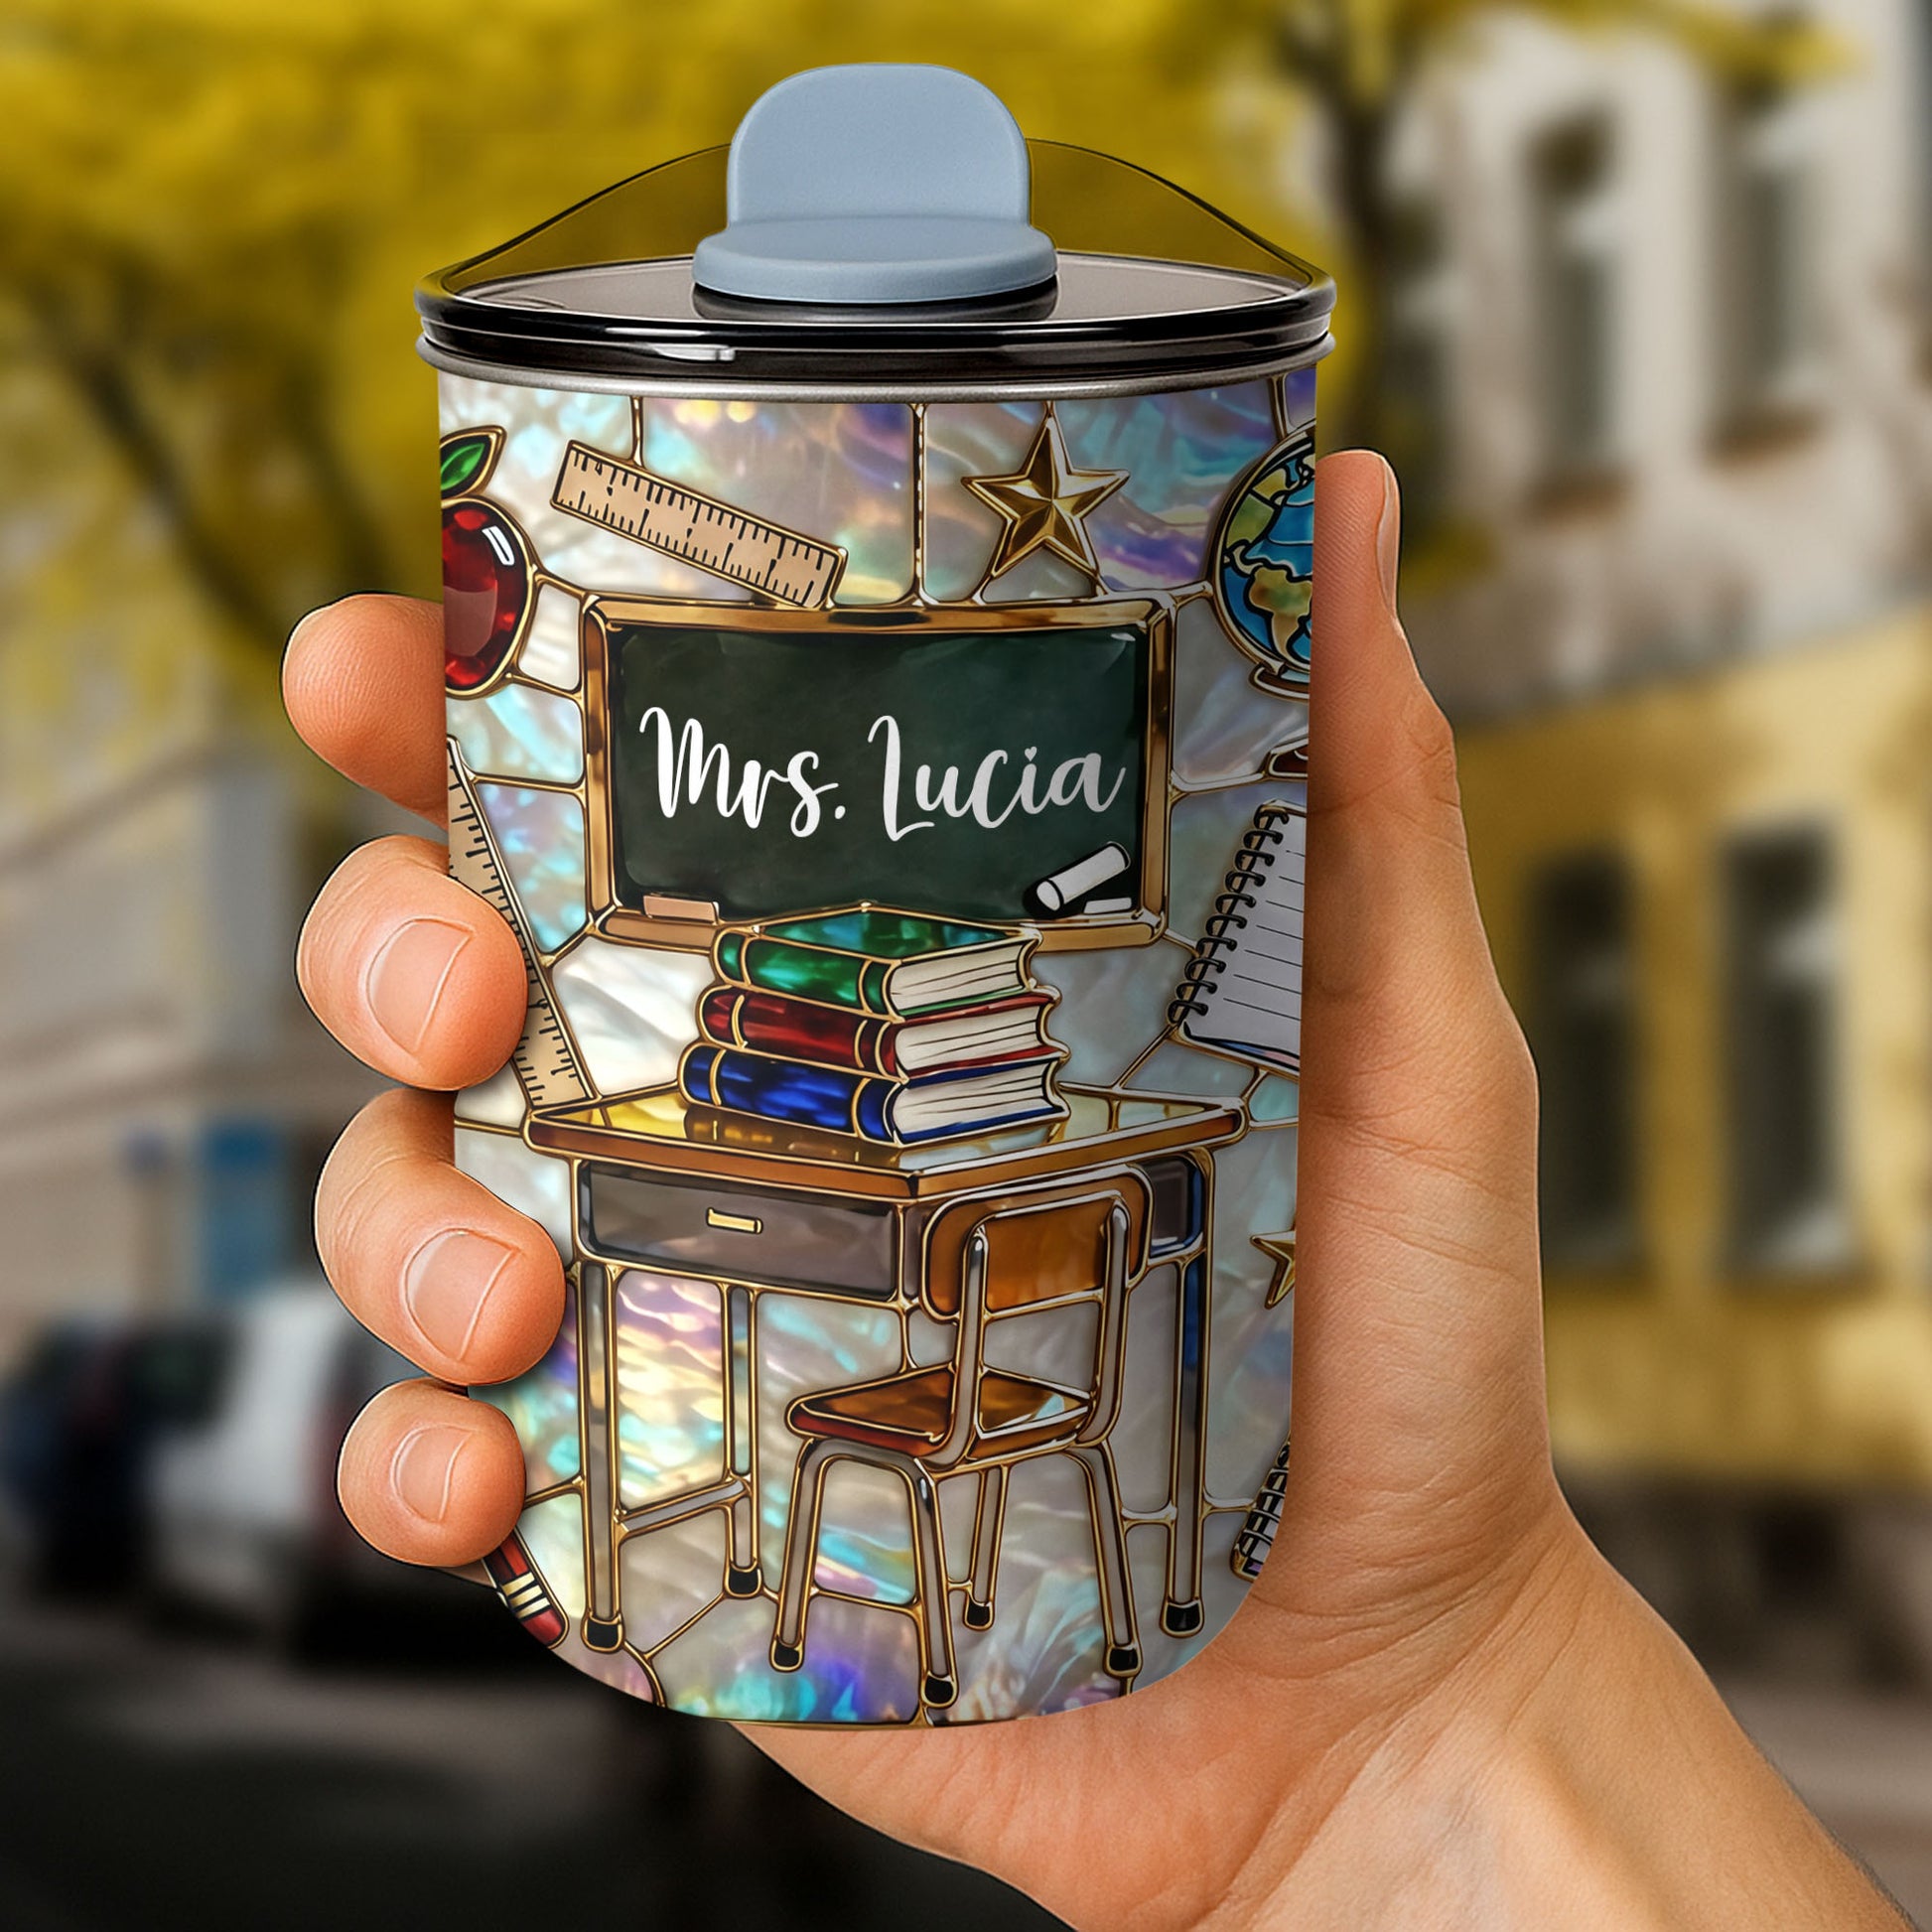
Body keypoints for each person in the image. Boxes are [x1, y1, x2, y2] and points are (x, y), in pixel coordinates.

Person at [284, 452, 1905, 1929]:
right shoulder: (1116, 1135)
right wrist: (1427, 1728)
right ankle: (1028, 1589)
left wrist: (1433, 1686)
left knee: (675, 1327)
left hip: (971, 1404)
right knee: (581, 1295)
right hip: (1031, 1382)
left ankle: (761, 1584)